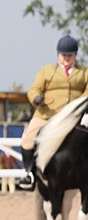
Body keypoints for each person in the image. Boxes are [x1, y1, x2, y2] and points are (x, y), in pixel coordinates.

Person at [18, 35, 86, 190]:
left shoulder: (84, 72)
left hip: (73, 115)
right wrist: (36, 98)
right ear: (58, 55)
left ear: (75, 55)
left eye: (70, 55)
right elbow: (34, 88)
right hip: (47, 113)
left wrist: (78, 104)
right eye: (64, 55)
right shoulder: (46, 71)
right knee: (28, 138)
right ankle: (29, 173)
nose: (67, 59)